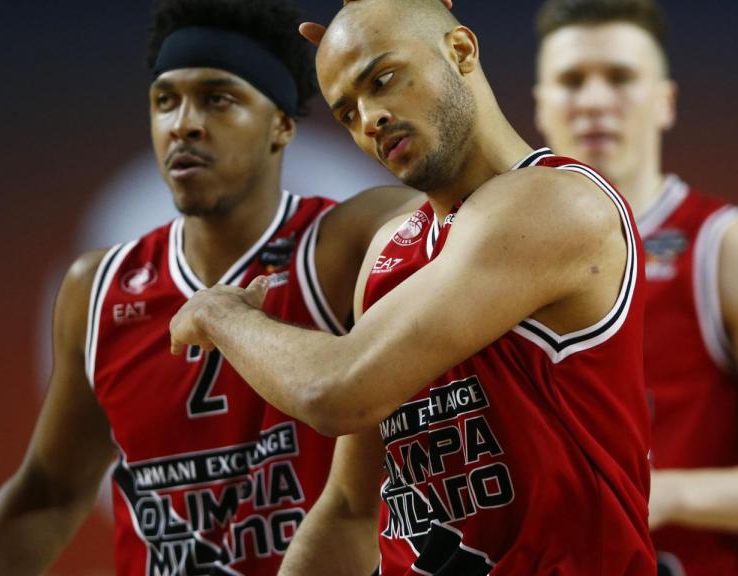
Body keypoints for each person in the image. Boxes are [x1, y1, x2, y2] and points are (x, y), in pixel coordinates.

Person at [170, 0, 654, 573]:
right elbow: (350, 508)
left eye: (383, 78)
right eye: (346, 111)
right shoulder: (389, 252)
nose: (370, 118)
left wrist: (221, 314)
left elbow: (337, 390)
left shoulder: (556, 202)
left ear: (461, 51)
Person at [0, 0, 417, 574]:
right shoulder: (97, 289)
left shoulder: (346, 243)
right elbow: (49, 493)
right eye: (165, 100)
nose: (183, 123)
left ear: (281, 125)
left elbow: (475, 212)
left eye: (218, 98)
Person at [532, 0, 738, 573]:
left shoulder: (731, 252)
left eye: (619, 77)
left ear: (664, 102)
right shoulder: (494, 257)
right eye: (571, 81)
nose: (592, 100)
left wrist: (666, 494)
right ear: (540, 105)